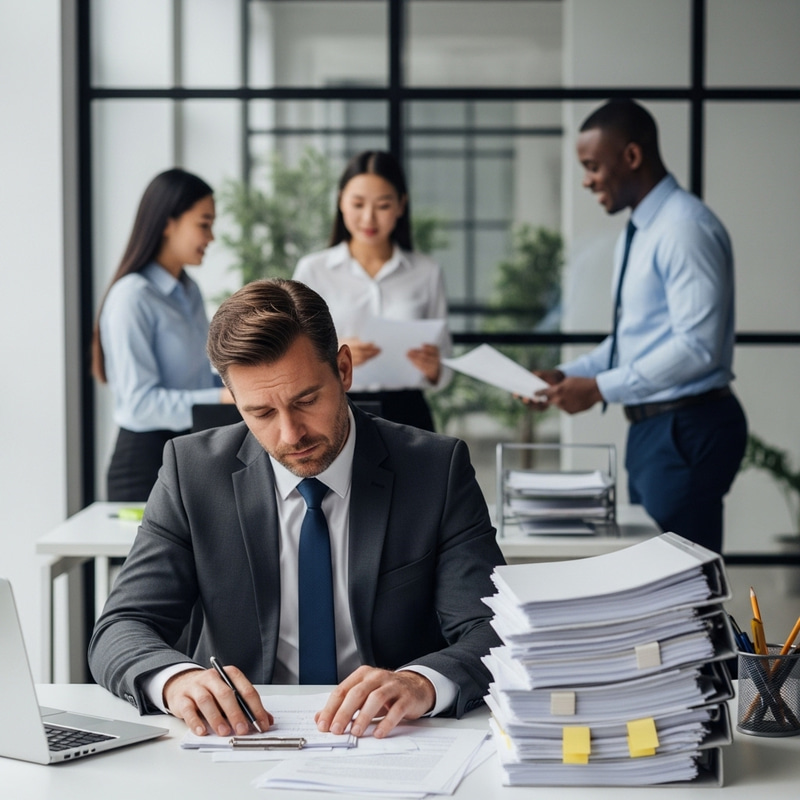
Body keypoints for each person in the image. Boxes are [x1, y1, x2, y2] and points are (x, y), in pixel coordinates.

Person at [88, 278, 503, 740]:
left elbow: (493, 627)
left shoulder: (435, 470)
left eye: (306, 401)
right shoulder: (192, 472)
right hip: (240, 740)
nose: (290, 435)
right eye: (261, 413)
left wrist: (421, 683)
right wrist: (177, 681)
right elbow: (122, 626)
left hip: (389, 737)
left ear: (343, 369)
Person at [530, 99, 747, 554]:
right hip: (657, 429)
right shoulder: (645, 230)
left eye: (593, 166)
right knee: (657, 573)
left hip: (685, 428)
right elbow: (633, 338)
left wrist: (599, 388)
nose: (587, 180)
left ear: (631, 156)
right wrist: (569, 375)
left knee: (682, 579)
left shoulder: (684, 228)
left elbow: (698, 347)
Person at [92, 168, 233, 501]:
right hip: (144, 464)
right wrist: (222, 398)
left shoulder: (189, 291)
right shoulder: (132, 296)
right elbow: (140, 404)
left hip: (189, 452)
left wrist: (242, 383)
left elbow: (196, 379)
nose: (211, 238)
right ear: (168, 223)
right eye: (204, 224)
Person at [293, 150, 450, 432]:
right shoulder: (314, 270)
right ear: (341, 201)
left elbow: (445, 357)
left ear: (401, 206)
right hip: (336, 407)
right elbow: (294, 347)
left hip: (409, 412)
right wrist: (333, 352)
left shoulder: (426, 271)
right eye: (358, 204)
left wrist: (435, 367)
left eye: (383, 205)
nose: (369, 218)